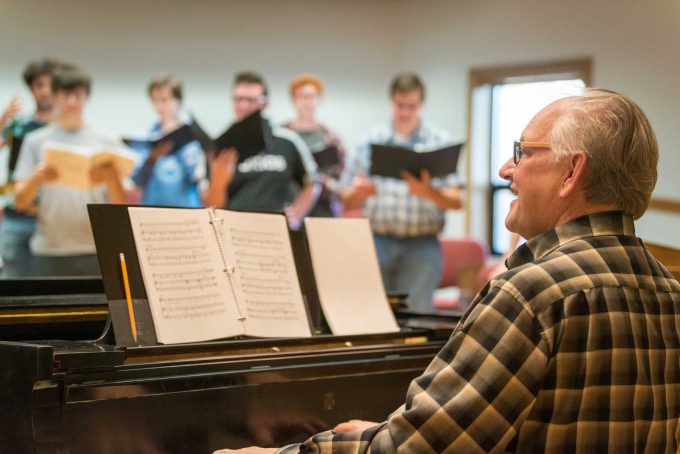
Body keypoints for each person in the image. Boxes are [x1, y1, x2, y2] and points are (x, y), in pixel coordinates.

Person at [214, 88, 680, 453]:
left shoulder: (532, 293)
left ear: (571, 173)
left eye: (522, 152)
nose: (505, 169)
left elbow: (415, 450)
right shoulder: (669, 291)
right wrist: (385, 431)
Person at [341, 72, 462, 311]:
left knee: (416, 320)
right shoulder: (369, 141)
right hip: (376, 241)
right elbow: (345, 201)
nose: (405, 112)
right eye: (400, 105)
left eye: (412, 106)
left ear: (422, 105)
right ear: (391, 103)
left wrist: (428, 191)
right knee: (372, 315)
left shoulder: (439, 141)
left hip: (421, 246)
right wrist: (359, 192)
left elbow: (457, 202)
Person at [13, 64, 127, 276]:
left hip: (96, 248)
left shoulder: (107, 140)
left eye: (78, 95)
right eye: (66, 95)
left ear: (87, 97)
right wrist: (36, 179)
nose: (72, 102)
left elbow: (121, 207)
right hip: (49, 248)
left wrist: (112, 179)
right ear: (55, 96)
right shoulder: (35, 141)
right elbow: (20, 202)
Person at [204, 71, 317, 228]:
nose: (243, 105)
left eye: (250, 100)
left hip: (277, 231)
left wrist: (296, 216)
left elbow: (312, 184)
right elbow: (211, 205)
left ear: (265, 103)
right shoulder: (221, 146)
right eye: (238, 99)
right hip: (235, 231)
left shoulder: (287, 140)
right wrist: (218, 181)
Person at [0, 58, 61, 277]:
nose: (45, 91)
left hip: (52, 220)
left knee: (51, 287)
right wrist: (1, 123)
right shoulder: (18, 126)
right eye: (39, 85)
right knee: (11, 285)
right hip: (17, 217)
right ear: (31, 89)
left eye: (50, 85)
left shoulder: (65, 130)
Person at [130, 74, 206, 207]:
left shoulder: (193, 135)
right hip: (153, 210)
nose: (159, 107)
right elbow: (137, 182)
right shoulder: (145, 136)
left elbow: (199, 178)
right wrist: (152, 158)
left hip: (186, 212)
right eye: (155, 101)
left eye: (165, 100)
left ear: (178, 101)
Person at [283, 73, 345, 217]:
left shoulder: (331, 138)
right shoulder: (282, 136)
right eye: (302, 97)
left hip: (322, 210)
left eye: (312, 96)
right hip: (289, 207)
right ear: (294, 100)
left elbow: (339, 178)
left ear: (320, 100)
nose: (308, 102)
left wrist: (318, 181)